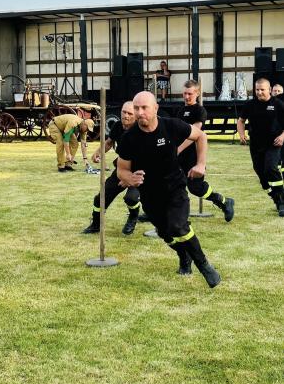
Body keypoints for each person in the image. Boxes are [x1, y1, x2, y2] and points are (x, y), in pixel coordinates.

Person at [117, 91, 221, 287]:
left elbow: (201, 136)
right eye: (136, 108)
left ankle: (205, 265)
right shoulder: (129, 138)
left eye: (144, 108)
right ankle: (184, 256)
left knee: (178, 227)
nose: (140, 113)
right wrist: (129, 178)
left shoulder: (171, 126)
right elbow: (121, 170)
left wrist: (201, 164)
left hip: (175, 188)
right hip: (149, 195)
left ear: (155, 108)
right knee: (166, 234)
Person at [175, 79, 234, 221]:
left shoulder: (200, 111)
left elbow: (194, 132)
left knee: (196, 188)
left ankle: (223, 201)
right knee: (175, 186)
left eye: (189, 93)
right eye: (184, 93)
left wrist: (178, 149)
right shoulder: (180, 111)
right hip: (179, 158)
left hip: (194, 157)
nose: (186, 96)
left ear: (197, 93)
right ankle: (176, 216)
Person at [83, 101, 141, 235]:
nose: (126, 116)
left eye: (130, 113)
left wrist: (129, 179)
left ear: (136, 115)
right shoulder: (118, 126)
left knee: (131, 198)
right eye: (124, 112)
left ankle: (133, 217)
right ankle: (95, 225)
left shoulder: (141, 129)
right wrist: (98, 152)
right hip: (122, 168)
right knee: (101, 197)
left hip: (139, 171)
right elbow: (109, 143)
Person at [237, 78, 284, 217]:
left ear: (269, 90)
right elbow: (241, 121)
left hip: (273, 143)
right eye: (257, 89)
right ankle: (276, 198)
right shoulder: (250, 105)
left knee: (270, 168)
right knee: (262, 176)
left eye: (262, 89)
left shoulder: (278, 104)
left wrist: (282, 136)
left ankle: (282, 201)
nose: (259, 92)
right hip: (256, 144)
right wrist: (241, 135)